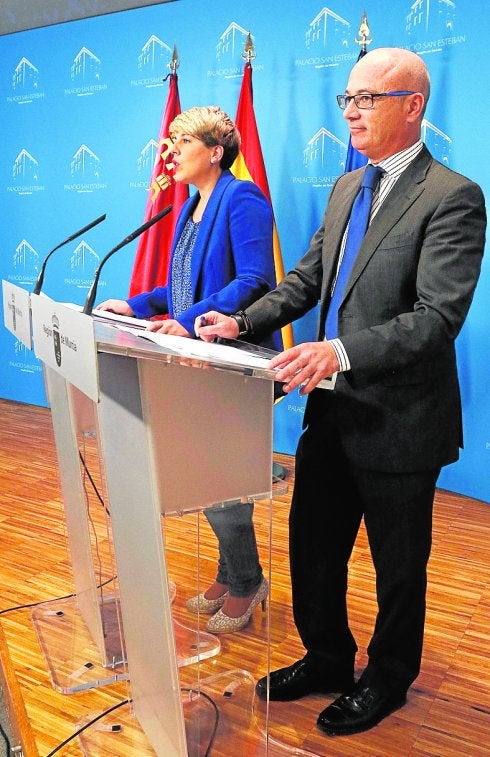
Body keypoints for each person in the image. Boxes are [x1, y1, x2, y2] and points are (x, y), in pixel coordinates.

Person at [195, 48, 486, 735]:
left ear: (413, 105)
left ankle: (387, 678)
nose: (351, 110)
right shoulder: (345, 189)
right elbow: (303, 281)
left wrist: (342, 350)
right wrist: (242, 320)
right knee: (313, 549)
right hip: (330, 412)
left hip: (400, 418)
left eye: (367, 98)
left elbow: (436, 317)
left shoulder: (452, 196)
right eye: (346, 99)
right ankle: (326, 656)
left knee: (397, 567)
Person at [97, 105, 281, 633]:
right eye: (171, 144)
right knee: (206, 469)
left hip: (236, 359)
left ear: (215, 152)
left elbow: (253, 282)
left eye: (183, 144)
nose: (171, 153)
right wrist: (135, 305)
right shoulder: (188, 208)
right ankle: (233, 573)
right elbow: (182, 286)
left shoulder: (242, 199)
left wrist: (187, 320)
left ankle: (246, 581)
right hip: (197, 360)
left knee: (218, 471)